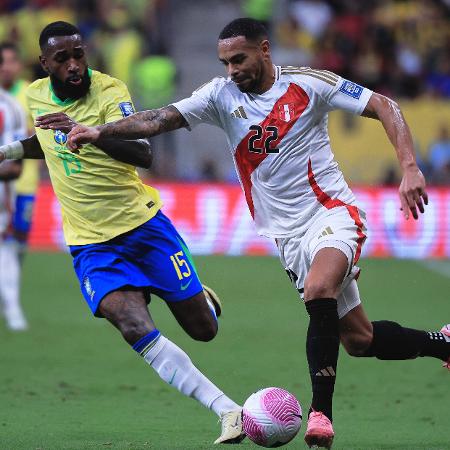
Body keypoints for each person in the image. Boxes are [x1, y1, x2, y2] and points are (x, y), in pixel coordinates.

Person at [66, 18, 450, 449]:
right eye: (225, 62)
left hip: (333, 212)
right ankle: (443, 344)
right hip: (288, 239)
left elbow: (384, 105)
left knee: (319, 289)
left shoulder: (309, 84)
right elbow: (159, 119)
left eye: (239, 59)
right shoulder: (218, 96)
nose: (231, 70)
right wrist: (102, 131)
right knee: (359, 340)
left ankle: (320, 414)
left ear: (265, 50)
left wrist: (410, 167)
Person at [0, 21, 245, 445]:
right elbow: (48, 139)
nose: (75, 65)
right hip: (90, 243)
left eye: (79, 54)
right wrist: (9, 150)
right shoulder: (35, 94)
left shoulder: (110, 91)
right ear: (44, 64)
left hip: (144, 229)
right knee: (130, 324)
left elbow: (143, 152)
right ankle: (227, 409)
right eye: (63, 59)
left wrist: (89, 132)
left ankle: (200, 296)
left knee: (204, 330)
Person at [0, 43, 40, 260]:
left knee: (20, 240)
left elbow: (43, 133)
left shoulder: (31, 93)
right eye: (2, 62)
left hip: (25, 180)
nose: (6, 67)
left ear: (19, 65)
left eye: (11, 61)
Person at [0, 85, 27, 331]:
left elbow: (15, 166)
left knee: (6, 249)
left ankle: (12, 309)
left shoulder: (11, 107)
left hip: (1, 195)